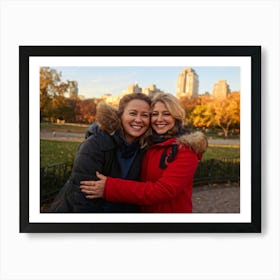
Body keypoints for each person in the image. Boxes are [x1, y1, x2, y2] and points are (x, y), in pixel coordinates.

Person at [80, 93, 208, 213]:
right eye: (154, 114)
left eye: (166, 114)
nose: (159, 119)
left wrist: (109, 187)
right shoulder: (149, 144)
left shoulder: (185, 150)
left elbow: (163, 190)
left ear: (176, 117)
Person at [49, 92, 151, 213]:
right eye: (133, 113)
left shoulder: (144, 148)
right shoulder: (95, 145)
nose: (138, 120)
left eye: (145, 115)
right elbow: (83, 199)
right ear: (120, 115)